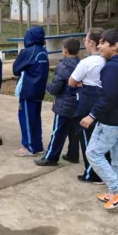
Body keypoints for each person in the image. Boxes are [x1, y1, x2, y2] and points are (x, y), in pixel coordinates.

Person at [81, 28, 118, 210]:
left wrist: (91, 115)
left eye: (103, 43)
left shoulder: (112, 67)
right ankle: (115, 194)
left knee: (93, 153)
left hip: (111, 120)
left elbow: (108, 97)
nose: (99, 46)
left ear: (115, 46)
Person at [67, 28, 111, 184]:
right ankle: (105, 171)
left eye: (85, 40)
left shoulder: (87, 62)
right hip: (105, 104)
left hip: (88, 104)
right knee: (103, 140)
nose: (84, 42)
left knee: (87, 139)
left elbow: (71, 82)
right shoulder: (110, 61)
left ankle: (92, 174)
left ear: (92, 42)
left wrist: (81, 81)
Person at [35, 38, 81, 166]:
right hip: (77, 103)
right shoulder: (81, 64)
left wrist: (47, 86)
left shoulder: (64, 66)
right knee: (73, 130)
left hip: (64, 103)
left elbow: (56, 88)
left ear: (65, 50)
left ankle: (51, 157)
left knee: (58, 131)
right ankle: (73, 154)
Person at [12, 26, 49, 157]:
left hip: (28, 90)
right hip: (39, 90)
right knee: (35, 119)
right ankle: (37, 146)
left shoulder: (27, 52)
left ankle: (29, 147)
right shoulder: (44, 51)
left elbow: (15, 70)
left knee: (26, 119)